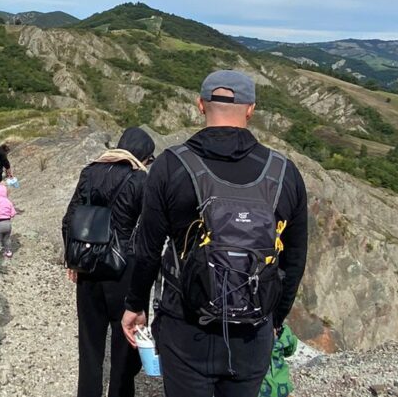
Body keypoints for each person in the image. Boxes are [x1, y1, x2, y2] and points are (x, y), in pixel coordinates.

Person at [122, 70, 308, 397]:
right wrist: (274, 319)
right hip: (253, 332)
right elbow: (294, 259)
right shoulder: (284, 173)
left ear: (200, 105)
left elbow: (147, 248)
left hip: (185, 327)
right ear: (251, 109)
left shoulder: (171, 165)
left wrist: (136, 304)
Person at [63, 127, 156, 397]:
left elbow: (69, 219)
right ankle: (119, 391)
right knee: (125, 339)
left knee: (90, 340)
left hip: (88, 264)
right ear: (143, 155)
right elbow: (150, 231)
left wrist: (72, 260)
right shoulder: (141, 180)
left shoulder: (90, 171)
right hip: (124, 268)